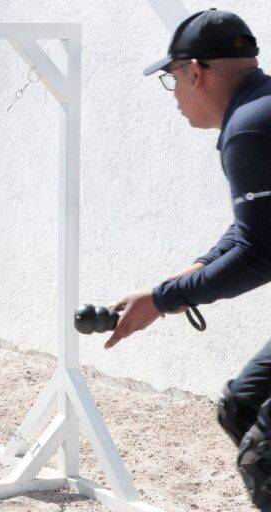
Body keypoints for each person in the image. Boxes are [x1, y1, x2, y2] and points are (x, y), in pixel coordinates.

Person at [105, 9, 271, 509]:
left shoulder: (249, 129)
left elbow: (260, 253)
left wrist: (161, 299)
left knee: (262, 456)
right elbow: (256, 228)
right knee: (241, 407)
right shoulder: (259, 110)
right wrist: (201, 267)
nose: (175, 94)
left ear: (194, 72)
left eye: (172, 79)